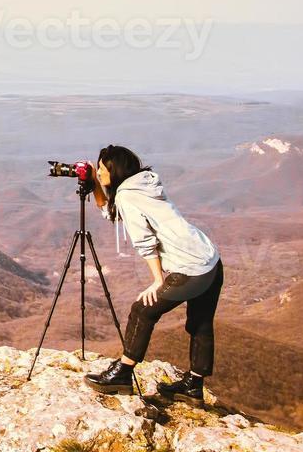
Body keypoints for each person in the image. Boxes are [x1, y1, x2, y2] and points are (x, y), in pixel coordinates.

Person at [83, 144, 222, 402]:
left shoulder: (127, 195)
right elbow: (111, 212)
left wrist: (158, 281)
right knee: (201, 324)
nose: (100, 173)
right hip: (210, 259)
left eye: (101, 169)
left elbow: (144, 241)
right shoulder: (143, 184)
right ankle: (194, 385)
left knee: (142, 310)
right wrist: (94, 185)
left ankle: (122, 374)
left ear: (114, 170)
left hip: (191, 269)